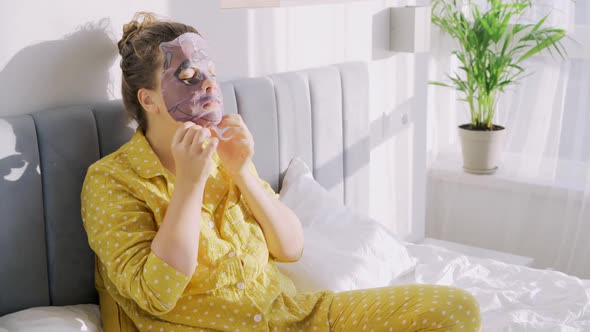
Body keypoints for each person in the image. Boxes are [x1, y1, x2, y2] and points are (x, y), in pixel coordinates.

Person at [81, 12, 481, 332]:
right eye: (187, 77)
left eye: (211, 73)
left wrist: (242, 173)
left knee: (454, 308)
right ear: (147, 99)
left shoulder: (224, 155)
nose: (208, 86)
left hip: (296, 318)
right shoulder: (112, 181)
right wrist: (188, 186)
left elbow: (291, 248)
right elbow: (157, 295)